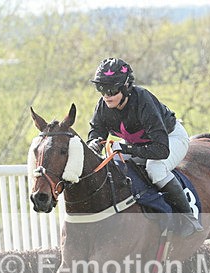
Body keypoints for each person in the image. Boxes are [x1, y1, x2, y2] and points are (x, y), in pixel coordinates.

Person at [87, 57, 203, 236]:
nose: (106, 95)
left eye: (111, 89)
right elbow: (97, 130)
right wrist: (94, 142)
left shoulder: (143, 100)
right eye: (100, 88)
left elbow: (160, 150)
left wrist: (125, 149)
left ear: (126, 87)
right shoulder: (104, 105)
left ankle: (187, 218)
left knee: (155, 168)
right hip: (140, 145)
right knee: (113, 164)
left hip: (170, 139)